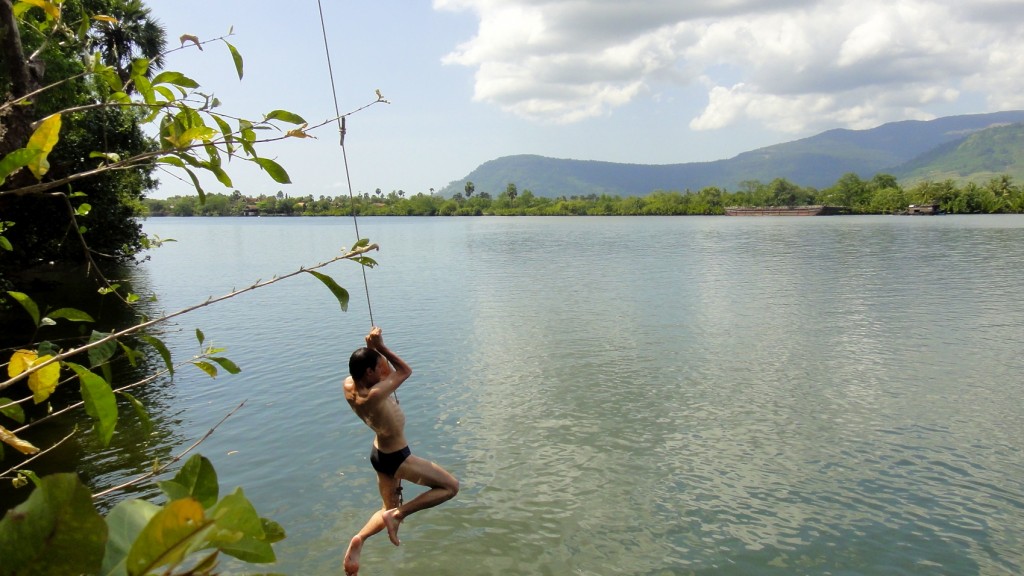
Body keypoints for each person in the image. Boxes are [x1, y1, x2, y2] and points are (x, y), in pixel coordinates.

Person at [342, 326, 459, 575]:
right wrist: (381, 346)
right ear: (368, 372)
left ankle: (360, 538)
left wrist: (372, 351)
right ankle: (399, 515)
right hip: (397, 458)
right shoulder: (374, 394)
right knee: (450, 487)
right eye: (377, 367)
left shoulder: (349, 386)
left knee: (386, 509)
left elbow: (380, 373)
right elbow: (405, 371)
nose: (382, 371)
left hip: (378, 454)